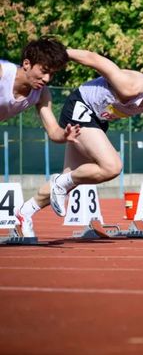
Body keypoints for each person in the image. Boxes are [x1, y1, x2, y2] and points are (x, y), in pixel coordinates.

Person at [18, 49, 143, 236]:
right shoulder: (131, 85)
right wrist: (59, 51)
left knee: (70, 178)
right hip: (81, 107)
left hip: (98, 120)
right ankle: (59, 183)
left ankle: (25, 212)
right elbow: (94, 59)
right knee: (112, 166)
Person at [1, 38, 80, 237]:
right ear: (27, 64)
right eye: (44, 71)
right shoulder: (3, 74)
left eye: (51, 74)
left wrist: (65, 134)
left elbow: (53, 131)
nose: (47, 79)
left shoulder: (41, 94)